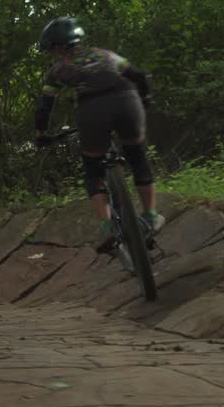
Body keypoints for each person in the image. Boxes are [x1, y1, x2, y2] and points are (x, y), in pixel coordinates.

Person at [33, 16, 166, 253]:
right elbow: (138, 76)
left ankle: (107, 227)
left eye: (50, 50)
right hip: (127, 100)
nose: (50, 55)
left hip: (92, 110)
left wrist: (42, 133)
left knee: (93, 168)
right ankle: (151, 216)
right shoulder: (105, 54)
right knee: (136, 157)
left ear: (56, 47)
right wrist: (145, 99)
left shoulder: (57, 70)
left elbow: (45, 106)